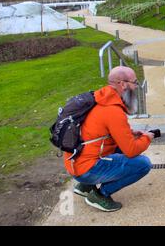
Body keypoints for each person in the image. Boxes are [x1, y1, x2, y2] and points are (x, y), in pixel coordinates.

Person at [64, 66, 154, 212]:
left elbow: (99, 131)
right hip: (85, 169)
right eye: (135, 82)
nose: (137, 87)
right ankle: (100, 195)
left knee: (122, 147)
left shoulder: (99, 98)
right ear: (123, 84)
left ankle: (85, 186)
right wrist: (147, 138)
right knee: (143, 164)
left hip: (75, 161)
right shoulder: (113, 110)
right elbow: (131, 150)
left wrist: (130, 133)